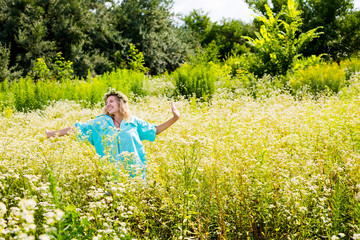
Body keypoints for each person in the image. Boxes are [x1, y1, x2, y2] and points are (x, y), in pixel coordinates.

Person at [45, 88, 180, 179]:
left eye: (111, 101)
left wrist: (175, 118)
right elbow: (77, 129)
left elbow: (155, 131)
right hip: (111, 177)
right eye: (106, 102)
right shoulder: (100, 122)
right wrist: (51, 134)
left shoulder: (133, 122)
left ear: (120, 103)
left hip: (135, 174)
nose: (108, 104)